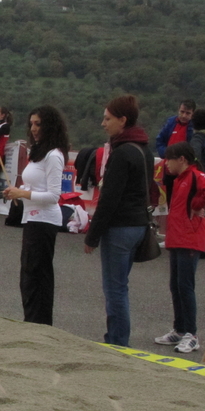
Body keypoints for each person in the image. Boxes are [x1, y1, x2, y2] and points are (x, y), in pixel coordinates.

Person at [84, 94, 155, 347]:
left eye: (107, 119)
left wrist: (92, 235)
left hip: (120, 228)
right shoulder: (143, 150)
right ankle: (117, 340)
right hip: (138, 225)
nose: (104, 124)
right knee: (120, 287)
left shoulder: (122, 152)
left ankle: (116, 342)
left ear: (122, 120)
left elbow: (109, 199)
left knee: (115, 290)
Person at [154, 142, 205, 353]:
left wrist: (198, 203)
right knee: (175, 285)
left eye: (169, 160)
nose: (166, 164)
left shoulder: (194, 176)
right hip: (177, 236)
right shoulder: (180, 179)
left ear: (182, 159)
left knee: (185, 286)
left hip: (190, 237)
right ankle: (179, 328)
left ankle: (191, 334)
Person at [2, 106, 68, 326]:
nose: (33, 128)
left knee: (37, 277)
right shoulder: (39, 152)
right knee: (28, 277)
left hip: (45, 220)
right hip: (32, 218)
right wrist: (18, 192)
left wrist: (22, 192)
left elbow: (54, 195)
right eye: (31, 123)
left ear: (49, 125)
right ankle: (31, 320)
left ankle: (39, 324)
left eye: (38, 124)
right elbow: (34, 184)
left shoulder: (54, 155)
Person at [155, 99, 195, 204]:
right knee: (167, 201)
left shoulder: (193, 128)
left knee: (182, 201)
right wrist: (165, 154)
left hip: (184, 171)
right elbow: (160, 140)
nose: (184, 115)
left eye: (188, 113)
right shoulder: (171, 122)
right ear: (178, 110)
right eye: (182, 112)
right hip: (168, 168)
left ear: (192, 114)